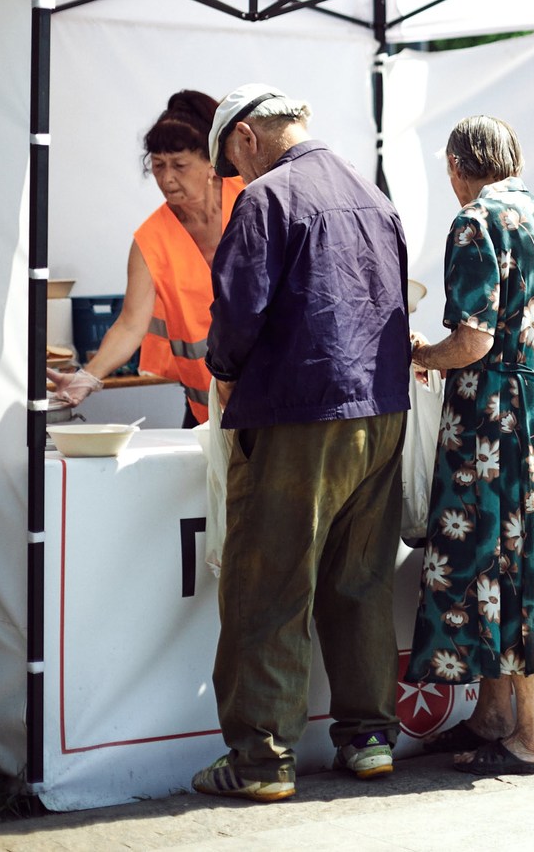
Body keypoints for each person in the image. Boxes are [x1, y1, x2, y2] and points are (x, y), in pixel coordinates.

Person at [193, 85, 410, 802]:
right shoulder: (372, 194)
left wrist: (222, 370)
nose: (236, 177)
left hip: (298, 409)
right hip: (379, 408)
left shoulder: (266, 199)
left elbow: (237, 313)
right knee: (361, 579)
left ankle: (262, 757)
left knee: (270, 584)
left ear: (248, 136)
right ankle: (371, 737)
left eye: (231, 160)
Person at [407, 116, 534, 776]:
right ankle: (496, 716)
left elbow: (472, 340)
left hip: (490, 419)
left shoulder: (476, 221)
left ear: (456, 166)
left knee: (499, 563)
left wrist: (423, 350)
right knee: (520, 558)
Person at [49, 91, 243, 427]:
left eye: (179, 165)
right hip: (206, 411)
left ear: (212, 163)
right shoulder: (150, 241)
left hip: (270, 403)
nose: (166, 178)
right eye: (157, 165)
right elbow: (129, 324)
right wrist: (87, 377)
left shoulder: (251, 201)